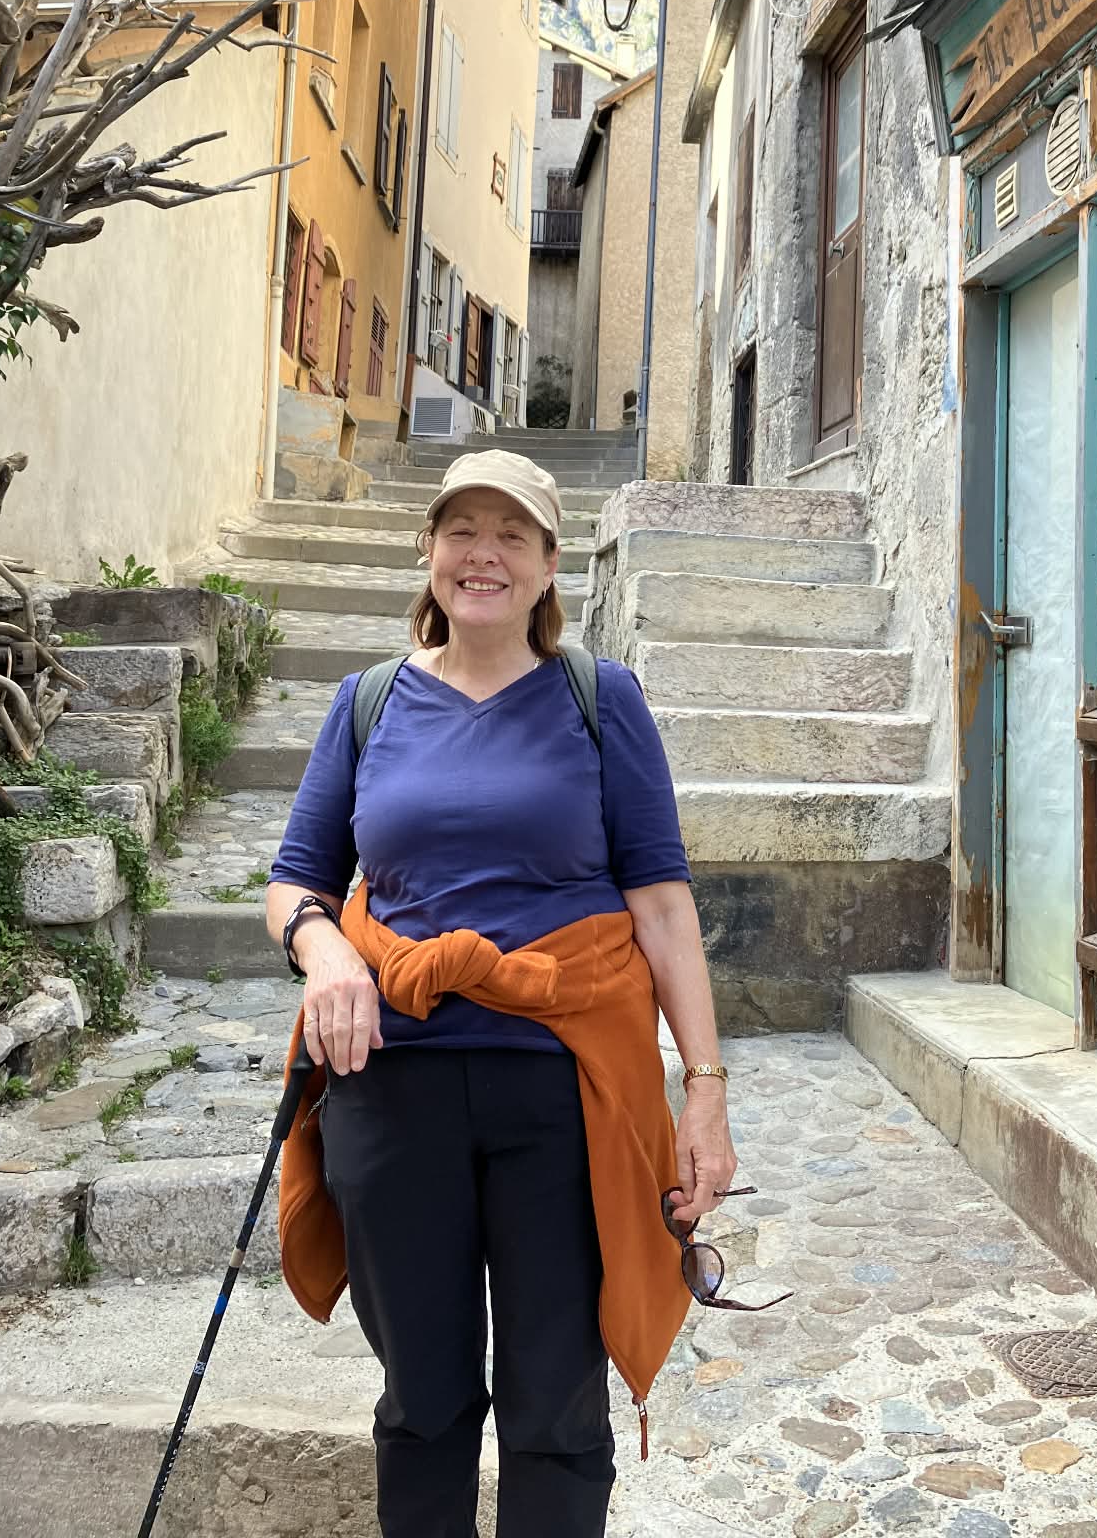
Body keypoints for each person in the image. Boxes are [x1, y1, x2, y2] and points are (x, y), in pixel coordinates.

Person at [266, 447, 740, 1538]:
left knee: (557, 1399)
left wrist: (705, 1091)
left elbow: (662, 907)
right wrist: (326, 951)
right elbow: (297, 881)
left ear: (548, 564)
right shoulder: (367, 703)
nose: (483, 555)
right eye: (462, 531)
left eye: (510, 534)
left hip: (567, 1093)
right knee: (422, 1396)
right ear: (430, 552)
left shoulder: (601, 700)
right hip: (393, 1085)